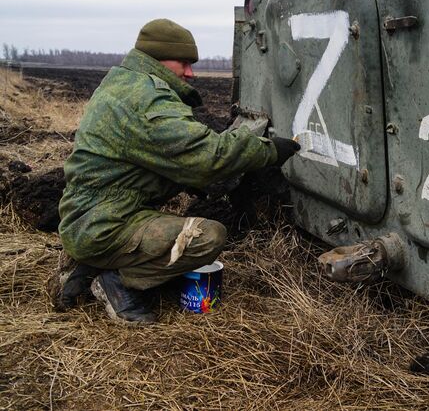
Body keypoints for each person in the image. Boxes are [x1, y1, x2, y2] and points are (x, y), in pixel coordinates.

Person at [48, 18, 300, 324]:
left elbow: (169, 158)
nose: (191, 73)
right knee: (207, 236)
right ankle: (117, 282)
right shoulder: (147, 98)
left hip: (88, 217)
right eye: (184, 63)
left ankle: (89, 265)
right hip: (104, 224)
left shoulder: (123, 82)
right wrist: (270, 151)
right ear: (158, 59)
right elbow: (207, 157)